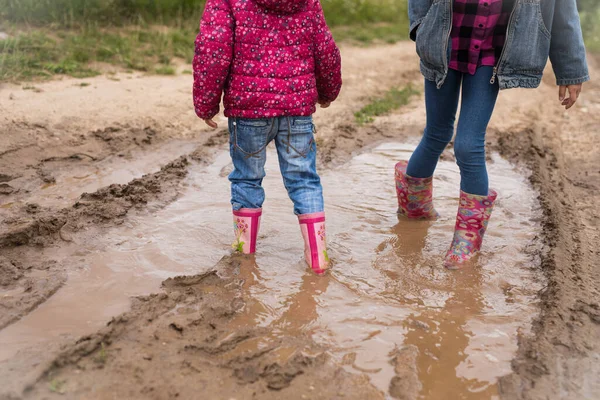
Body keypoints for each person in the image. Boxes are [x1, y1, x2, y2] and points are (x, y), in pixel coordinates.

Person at [398, 0, 589, 268]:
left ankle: (466, 243)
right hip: (444, 43)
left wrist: (571, 70)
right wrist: (420, 27)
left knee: (467, 144)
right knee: (437, 133)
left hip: (492, 52)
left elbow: (564, 13)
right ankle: (413, 213)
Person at [192, 0, 342, 275]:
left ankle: (244, 257)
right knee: (304, 180)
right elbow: (325, 48)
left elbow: (213, 51)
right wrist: (328, 91)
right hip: (296, 109)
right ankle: (318, 259)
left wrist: (206, 103)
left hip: (248, 109)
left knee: (247, 178)